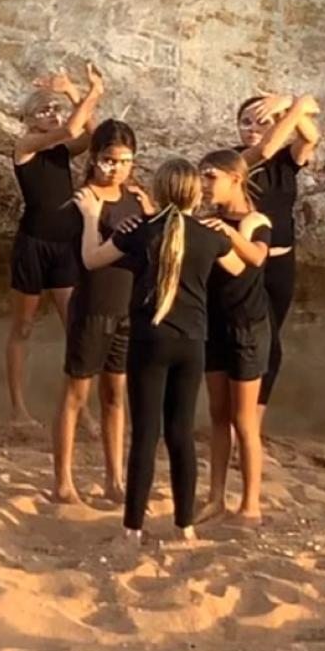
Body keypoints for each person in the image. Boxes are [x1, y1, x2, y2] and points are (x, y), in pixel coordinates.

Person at [76, 160, 236, 544]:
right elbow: (237, 268)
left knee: (145, 434)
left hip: (149, 341)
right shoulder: (208, 237)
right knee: (180, 433)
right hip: (191, 343)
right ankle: (185, 526)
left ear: (159, 192)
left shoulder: (140, 232)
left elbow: (91, 259)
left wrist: (90, 217)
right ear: (195, 194)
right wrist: (226, 233)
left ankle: (132, 527)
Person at [51, 119, 151, 505]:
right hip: (92, 308)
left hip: (129, 308)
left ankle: (114, 479)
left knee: (116, 395)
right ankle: (63, 481)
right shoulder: (82, 201)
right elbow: (72, 259)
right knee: (77, 394)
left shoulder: (138, 198)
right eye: (109, 160)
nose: (117, 168)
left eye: (125, 160)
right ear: (94, 159)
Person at [5, 63, 105, 423]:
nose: (51, 114)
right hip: (33, 245)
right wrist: (89, 93)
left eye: (54, 108)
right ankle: (19, 409)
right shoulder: (26, 145)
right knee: (24, 327)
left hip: (65, 245)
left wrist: (76, 94)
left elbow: (96, 138)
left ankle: (83, 411)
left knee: (75, 328)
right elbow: (71, 128)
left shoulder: (62, 150)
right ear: (29, 118)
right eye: (42, 110)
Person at [196, 150, 273, 524]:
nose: (204, 184)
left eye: (210, 176)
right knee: (217, 415)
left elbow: (255, 258)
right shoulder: (207, 219)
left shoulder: (255, 220)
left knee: (244, 420)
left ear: (235, 178)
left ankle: (251, 504)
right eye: (202, 176)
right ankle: (215, 496)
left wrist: (226, 232)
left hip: (247, 327)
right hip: (213, 326)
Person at [235, 94, 323, 407]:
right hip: (248, 262)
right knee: (261, 344)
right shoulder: (235, 160)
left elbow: (311, 136)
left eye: (261, 120)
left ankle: (253, 426)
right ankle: (242, 426)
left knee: (271, 343)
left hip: (282, 263)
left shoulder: (288, 161)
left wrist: (289, 106)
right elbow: (266, 149)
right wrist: (296, 105)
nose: (252, 128)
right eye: (245, 122)